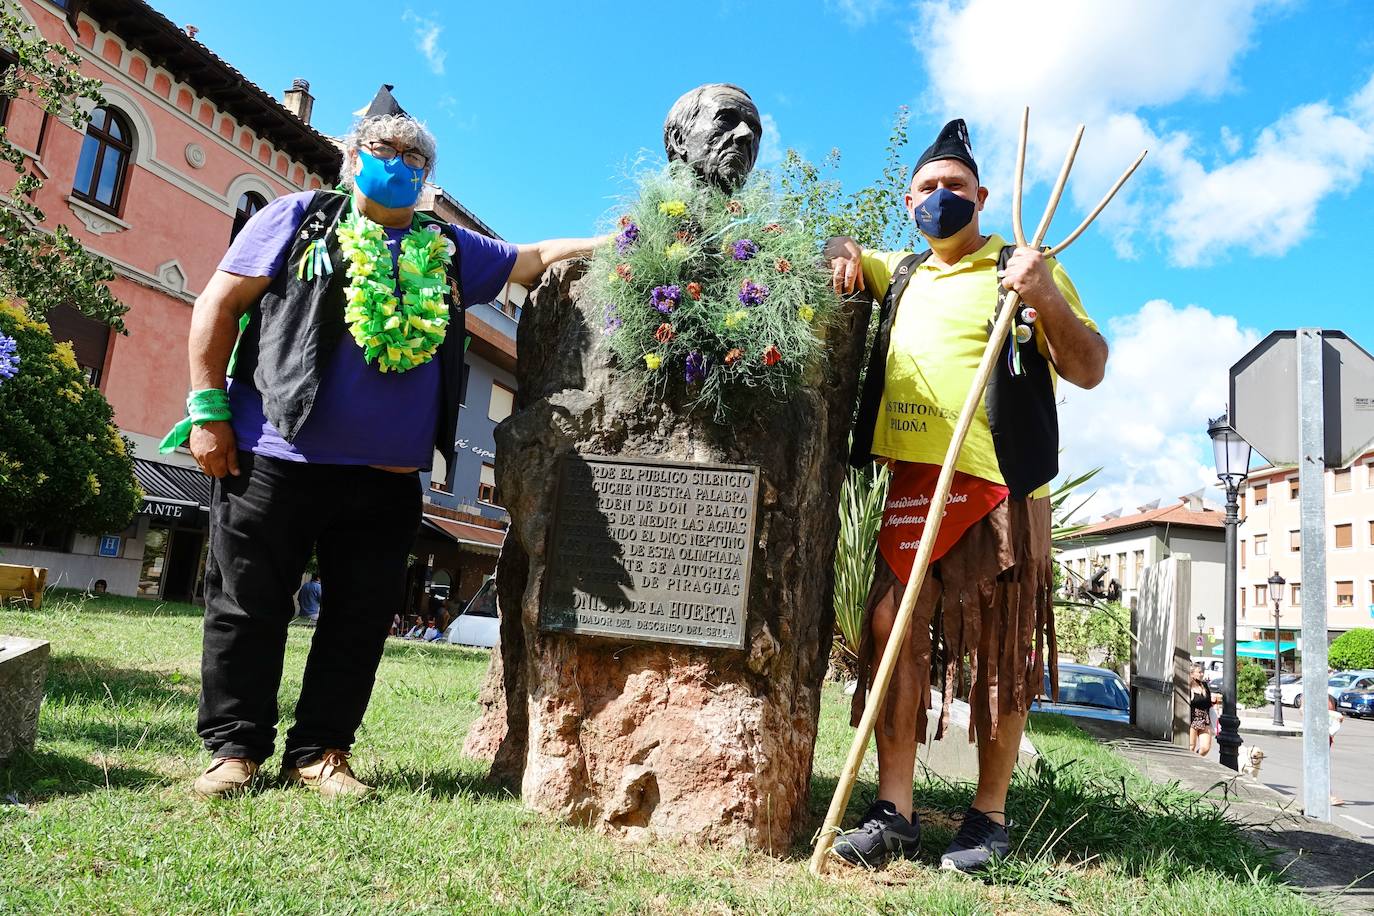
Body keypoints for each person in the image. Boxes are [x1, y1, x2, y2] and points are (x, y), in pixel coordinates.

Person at [175, 108, 604, 799]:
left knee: (360, 618)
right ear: (353, 155)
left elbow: (532, 258)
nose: (401, 164)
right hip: (275, 455)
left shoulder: (449, 247)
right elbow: (219, 305)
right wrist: (207, 411)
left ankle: (320, 752)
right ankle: (234, 750)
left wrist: (617, 242)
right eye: (387, 148)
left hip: (388, 478)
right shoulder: (301, 218)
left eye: (416, 159)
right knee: (246, 607)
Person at [824, 119, 1107, 872]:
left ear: (981, 196)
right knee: (892, 637)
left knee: (999, 654)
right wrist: (842, 252)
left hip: (998, 489)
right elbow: (843, 255)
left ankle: (988, 817)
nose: (940, 198)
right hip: (910, 489)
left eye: (954, 188)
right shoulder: (904, 271)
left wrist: (1043, 296)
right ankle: (895, 812)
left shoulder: (1020, 267)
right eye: (926, 189)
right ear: (906, 201)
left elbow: (1089, 367)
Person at [1187, 663, 1218, 756]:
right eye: (1199, 672)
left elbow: (1208, 703)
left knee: (1205, 748)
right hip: (1192, 720)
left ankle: (1196, 758)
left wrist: (1213, 701)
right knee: (1191, 746)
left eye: (1202, 672)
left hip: (1204, 719)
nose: (1202, 674)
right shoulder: (1188, 687)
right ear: (1192, 674)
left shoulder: (1204, 685)